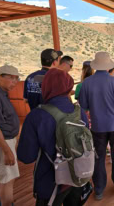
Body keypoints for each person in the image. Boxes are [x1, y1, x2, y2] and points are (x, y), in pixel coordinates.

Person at [17, 68, 88, 206]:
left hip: (49, 181)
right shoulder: (79, 112)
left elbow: (26, 156)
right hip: (77, 175)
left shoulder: (36, 116)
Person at [78, 52, 114, 200]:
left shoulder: (87, 83)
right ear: (108, 66)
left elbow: (84, 105)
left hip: (97, 126)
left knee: (98, 157)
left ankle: (99, 189)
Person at [0, 65, 21, 206]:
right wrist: (7, 151)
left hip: (3, 142)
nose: (15, 81)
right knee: (7, 181)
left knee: (1, 177)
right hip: (0, 143)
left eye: (16, 78)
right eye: (11, 78)